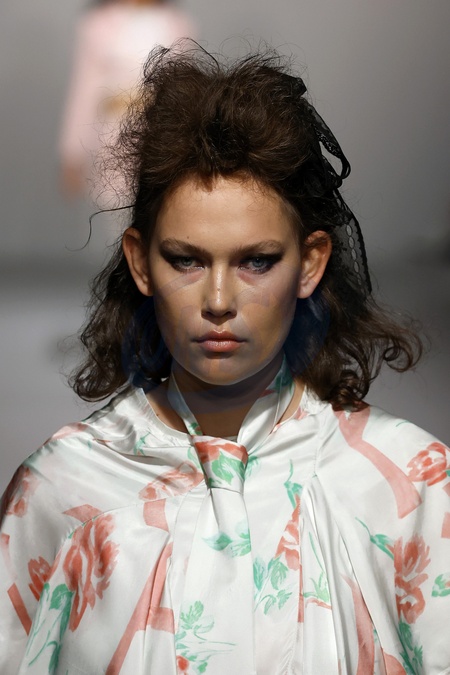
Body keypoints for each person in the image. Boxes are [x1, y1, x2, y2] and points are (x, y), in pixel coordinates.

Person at [1, 43, 449, 674]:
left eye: (256, 261)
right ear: (139, 262)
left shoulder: (411, 486)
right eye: (185, 259)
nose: (217, 301)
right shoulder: (60, 492)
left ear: (311, 263)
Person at [59, 0, 196, 202]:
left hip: (162, 134)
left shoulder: (176, 22)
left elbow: (185, 88)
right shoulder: (99, 23)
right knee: (117, 205)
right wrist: (73, 152)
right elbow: (85, 89)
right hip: (114, 134)